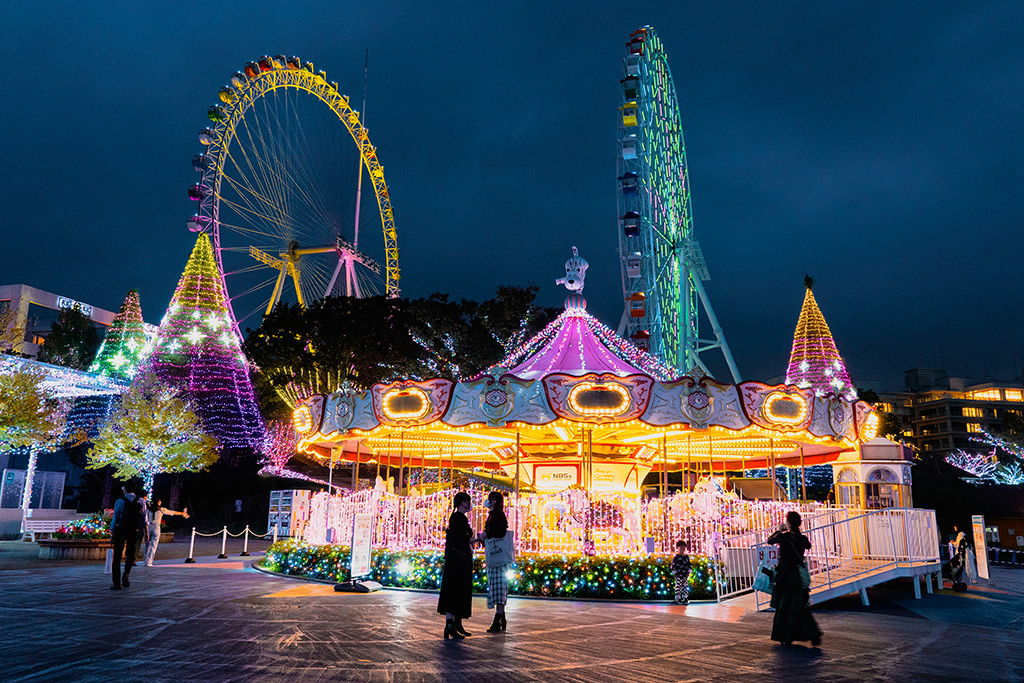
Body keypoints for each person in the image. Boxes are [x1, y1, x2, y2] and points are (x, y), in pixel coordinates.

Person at [767, 511, 822, 646]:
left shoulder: (783, 537)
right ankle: (812, 633)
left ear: (788, 523)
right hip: (797, 574)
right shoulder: (802, 538)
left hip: (784, 575)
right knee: (799, 605)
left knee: (783, 606)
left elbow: (770, 540)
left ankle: (785, 635)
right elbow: (808, 545)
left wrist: (779, 530)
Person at [437, 491, 475, 639]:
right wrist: (475, 539)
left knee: (456, 591)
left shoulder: (458, 518)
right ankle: (451, 625)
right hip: (458, 561)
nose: (469, 504)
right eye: (467, 501)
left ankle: (454, 624)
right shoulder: (458, 518)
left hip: (457, 560)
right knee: (455, 591)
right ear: (462, 503)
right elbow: (463, 538)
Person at [481, 491, 510, 632]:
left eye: (490, 499)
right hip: (495, 556)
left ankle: (498, 618)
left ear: (495, 501)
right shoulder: (492, 515)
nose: (488, 501)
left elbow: (500, 532)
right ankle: (501, 617)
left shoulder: (499, 515)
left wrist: (487, 534)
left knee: (499, 587)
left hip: (499, 556)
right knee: (496, 586)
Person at [110, 485, 145, 590]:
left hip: (121, 530)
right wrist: (145, 531)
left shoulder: (120, 501)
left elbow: (115, 517)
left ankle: (116, 582)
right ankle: (126, 574)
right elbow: (145, 518)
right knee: (130, 554)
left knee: (117, 555)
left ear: (125, 489)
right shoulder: (141, 501)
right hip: (133, 531)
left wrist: (112, 532)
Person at [144, 498, 189, 566]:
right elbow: (172, 512)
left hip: (149, 526)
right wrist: (182, 513)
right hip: (156, 527)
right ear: (158, 502)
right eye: (160, 501)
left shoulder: (148, 510)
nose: (160, 502)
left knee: (148, 544)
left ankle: (145, 560)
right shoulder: (161, 509)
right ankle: (149, 561)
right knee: (154, 545)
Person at [671, 539, 692, 605]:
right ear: (678, 548)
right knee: (678, 586)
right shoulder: (676, 557)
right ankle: (678, 598)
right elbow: (673, 566)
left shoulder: (686, 557)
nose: (682, 549)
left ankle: (685, 597)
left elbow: (689, 565)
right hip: (678, 575)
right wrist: (675, 573)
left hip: (685, 575)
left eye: (683, 547)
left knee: (685, 586)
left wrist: (688, 572)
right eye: (680, 547)